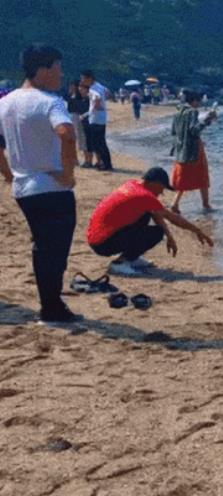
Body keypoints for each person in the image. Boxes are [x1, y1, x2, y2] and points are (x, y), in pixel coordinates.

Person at [0, 44, 82, 323]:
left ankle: (50, 304)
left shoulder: (6, 102)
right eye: (57, 68)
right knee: (55, 251)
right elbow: (66, 133)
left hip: (24, 189)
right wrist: (68, 173)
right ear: (43, 70)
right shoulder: (49, 101)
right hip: (51, 187)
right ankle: (51, 307)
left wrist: (9, 174)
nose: (61, 74)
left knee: (42, 246)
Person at [86, 167, 214, 276]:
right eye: (162, 188)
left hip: (97, 238)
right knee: (157, 233)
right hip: (103, 243)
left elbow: (156, 213)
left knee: (147, 215)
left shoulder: (132, 185)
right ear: (155, 183)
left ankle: (131, 258)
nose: (162, 192)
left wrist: (170, 236)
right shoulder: (144, 196)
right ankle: (120, 263)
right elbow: (172, 217)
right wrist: (197, 230)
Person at [169, 90, 217, 213]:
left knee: (183, 177)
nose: (200, 103)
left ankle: (175, 203)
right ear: (194, 101)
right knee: (202, 175)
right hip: (193, 150)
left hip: (181, 150)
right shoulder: (192, 112)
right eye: (199, 100)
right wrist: (207, 120)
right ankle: (205, 204)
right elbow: (194, 130)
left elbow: (173, 132)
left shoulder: (178, 113)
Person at [79, 69, 113, 171]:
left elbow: (97, 98)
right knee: (101, 142)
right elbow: (107, 92)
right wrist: (101, 104)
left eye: (83, 79)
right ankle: (106, 163)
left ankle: (105, 164)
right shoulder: (99, 85)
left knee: (98, 143)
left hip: (96, 119)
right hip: (101, 118)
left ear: (89, 78)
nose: (82, 81)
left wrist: (91, 110)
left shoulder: (93, 89)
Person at [66, 80, 92, 168]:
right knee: (79, 138)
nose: (70, 87)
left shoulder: (79, 97)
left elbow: (75, 108)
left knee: (82, 138)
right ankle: (84, 160)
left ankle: (87, 160)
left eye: (72, 86)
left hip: (78, 117)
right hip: (74, 117)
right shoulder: (75, 96)